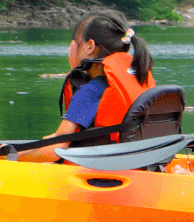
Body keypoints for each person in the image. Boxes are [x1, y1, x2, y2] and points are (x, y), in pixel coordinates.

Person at [21, 11, 156, 162]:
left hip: (105, 170)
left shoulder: (90, 91)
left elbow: (59, 146)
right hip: (139, 159)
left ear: (90, 46)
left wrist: (11, 156)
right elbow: (62, 135)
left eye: (76, 43)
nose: (71, 47)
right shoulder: (138, 79)